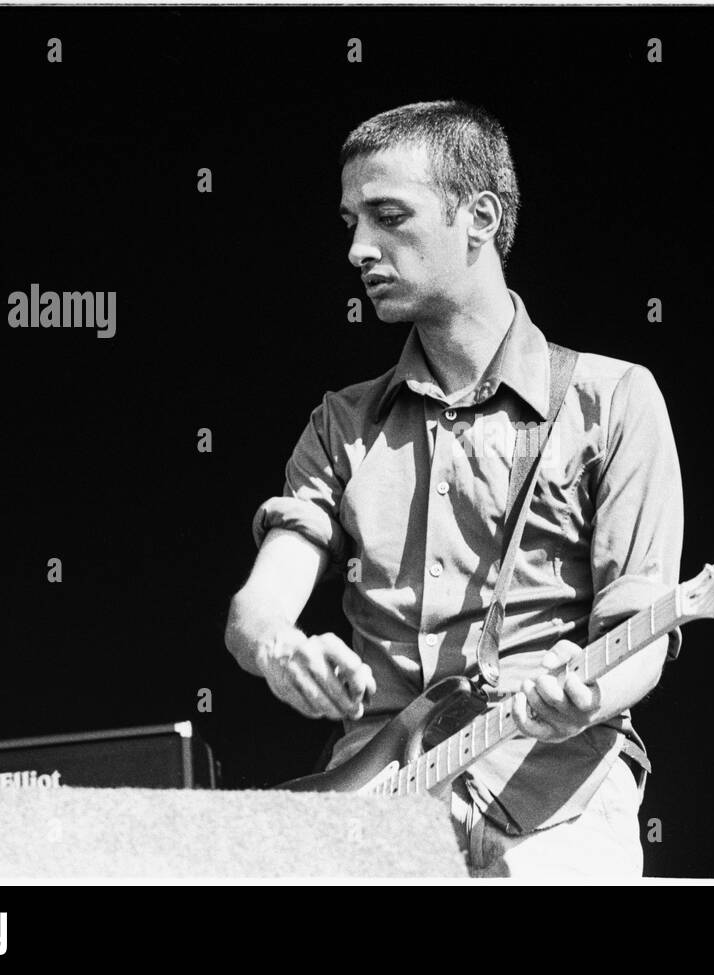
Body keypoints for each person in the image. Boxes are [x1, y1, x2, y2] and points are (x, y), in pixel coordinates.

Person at [224, 100, 684, 877]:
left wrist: (589, 693)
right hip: (374, 812)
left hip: (555, 804)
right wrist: (278, 648)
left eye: (388, 215)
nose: (359, 249)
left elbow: (641, 631)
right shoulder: (342, 423)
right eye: (350, 222)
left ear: (479, 217)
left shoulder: (615, 399)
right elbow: (256, 608)